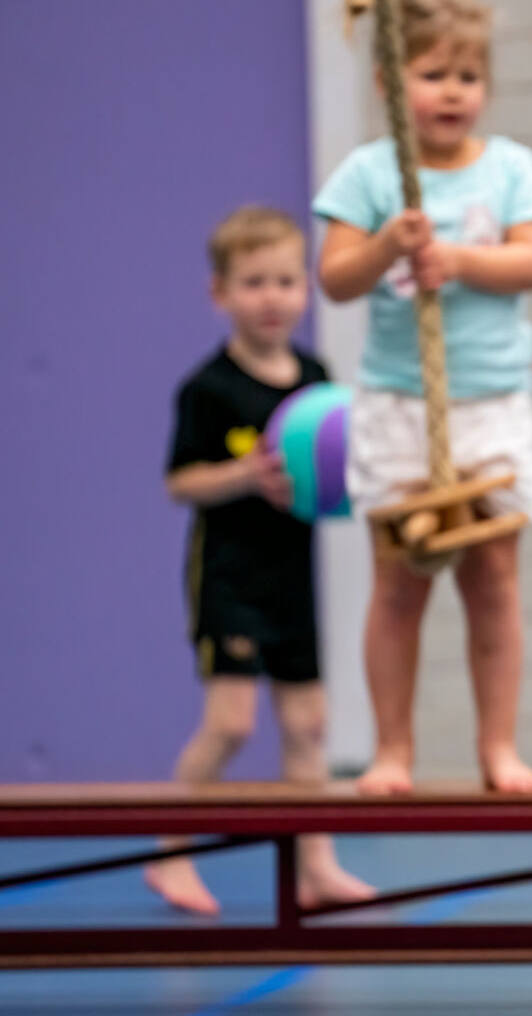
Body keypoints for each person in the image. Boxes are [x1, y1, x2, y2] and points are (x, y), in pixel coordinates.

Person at [314, 0, 532, 795]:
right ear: (389, 82)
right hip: (400, 403)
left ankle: (498, 747)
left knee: (492, 579)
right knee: (399, 583)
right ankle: (392, 750)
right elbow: (336, 278)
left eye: (467, 75)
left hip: (487, 402)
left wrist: (454, 260)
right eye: (431, 73)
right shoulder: (372, 174)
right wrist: (390, 240)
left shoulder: (510, 167)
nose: (452, 90)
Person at [150, 206, 375, 916]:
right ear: (221, 293)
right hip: (228, 579)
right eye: (253, 283)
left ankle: (316, 863)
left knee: (309, 724)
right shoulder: (208, 387)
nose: (271, 296)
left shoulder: (315, 373)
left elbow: (332, 460)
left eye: (284, 280)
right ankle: (171, 852)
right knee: (232, 723)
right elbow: (179, 481)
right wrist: (244, 474)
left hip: (291, 579)